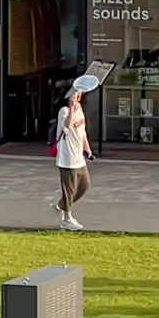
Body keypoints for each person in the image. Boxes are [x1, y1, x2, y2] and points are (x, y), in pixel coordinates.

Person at [53, 87, 91, 230]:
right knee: (69, 189)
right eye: (75, 95)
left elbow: (82, 131)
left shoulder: (80, 109)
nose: (77, 97)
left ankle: (60, 206)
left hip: (78, 155)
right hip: (67, 157)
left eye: (79, 94)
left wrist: (87, 147)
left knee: (84, 185)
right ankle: (67, 218)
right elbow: (67, 127)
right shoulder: (64, 111)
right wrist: (71, 107)